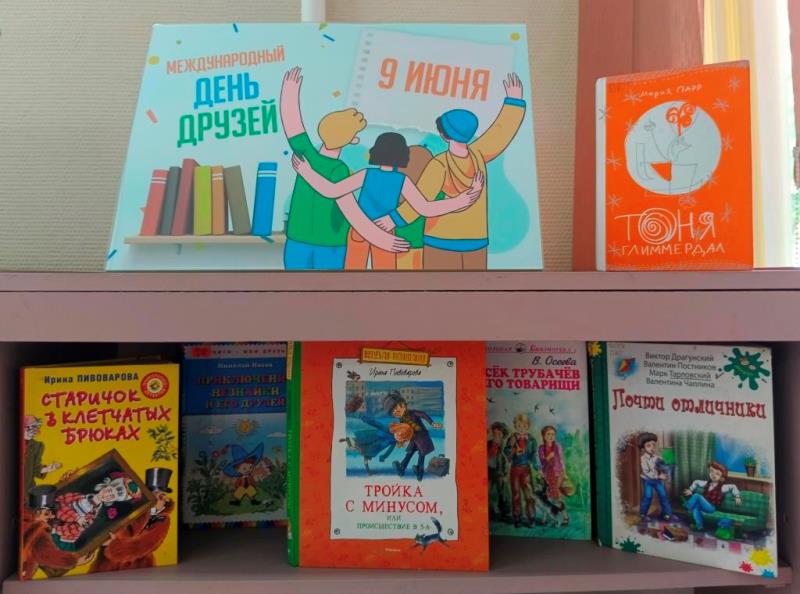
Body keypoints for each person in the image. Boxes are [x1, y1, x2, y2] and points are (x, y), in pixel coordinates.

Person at [374, 73, 527, 270]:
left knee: (438, 288)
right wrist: (514, 102)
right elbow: (500, 134)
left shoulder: (439, 164)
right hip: (476, 240)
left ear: (444, 135)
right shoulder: (478, 155)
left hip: (441, 240)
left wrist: (393, 219)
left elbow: (420, 201)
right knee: (476, 288)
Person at [280, 66, 410, 269]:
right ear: (353, 140)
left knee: (295, 289)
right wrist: (381, 239)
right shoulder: (338, 170)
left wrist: (288, 92)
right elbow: (352, 212)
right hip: (330, 246)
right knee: (329, 291)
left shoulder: (307, 157)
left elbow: (293, 126)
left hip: (296, 242)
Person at [291, 133, 483, 270]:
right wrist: (461, 200)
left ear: (376, 152)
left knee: (352, 274)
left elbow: (331, 191)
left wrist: (307, 173)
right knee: (385, 277)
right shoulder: (401, 180)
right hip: (386, 231)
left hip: (359, 230)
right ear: (403, 155)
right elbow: (425, 208)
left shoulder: (366, 174)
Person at [90, 468, 174, 572]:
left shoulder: (161, 519)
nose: (154, 499)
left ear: (165, 501)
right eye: (151, 495)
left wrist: (114, 545)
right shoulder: (134, 507)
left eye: (160, 497)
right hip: (107, 564)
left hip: (135, 566)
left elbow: (145, 544)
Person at [51, 473, 142, 548]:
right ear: (105, 486)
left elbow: (76, 530)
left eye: (112, 496)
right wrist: (76, 518)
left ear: (112, 500)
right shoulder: (78, 496)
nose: (106, 495)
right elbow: (57, 504)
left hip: (59, 532)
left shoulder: (92, 515)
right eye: (109, 490)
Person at [21, 485, 92, 579]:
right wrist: (74, 561)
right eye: (47, 513)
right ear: (38, 512)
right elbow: (49, 556)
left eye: (52, 513)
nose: (51, 516)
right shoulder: (38, 533)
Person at [384, 391, 442, 481]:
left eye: (396, 408)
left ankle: (419, 471)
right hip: (413, 438)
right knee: (409, 452)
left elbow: (423, 415)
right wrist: (400, 438)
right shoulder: (402, 420)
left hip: (422, 436)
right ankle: (402, 468)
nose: (395, 412)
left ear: (403, 404)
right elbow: (404, 430)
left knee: (421, 454)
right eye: (393, 412)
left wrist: (432, 423)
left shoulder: (412, 413)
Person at [682, 461, 742, 531]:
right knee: (696, 508)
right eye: (712, 471)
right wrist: (690, 489)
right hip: (704, 506)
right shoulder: (706, 483)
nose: (713, 475)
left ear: (722, 478)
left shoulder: (722, 487)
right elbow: (696, 482)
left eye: (717, 474)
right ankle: (700, 526)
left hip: (711, 508)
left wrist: (737, 496)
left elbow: (733, 487)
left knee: (697, 495)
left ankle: (688, 506)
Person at [505, 413, 538, 527]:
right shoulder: (512, 438)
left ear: (528, 426)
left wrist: (537, 467)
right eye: (519, 426)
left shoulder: (532, 440)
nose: (521, 428)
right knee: (516, 494)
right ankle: (517, 517)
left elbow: (534, 455)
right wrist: (512, 448)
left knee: (529, 493)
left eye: (524, 426)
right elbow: (507, 453)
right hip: (515, 469)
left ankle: (531, 517)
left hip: (526, 469)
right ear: (515, 426)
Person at [538, 425, 569, 526]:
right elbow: (542, 462)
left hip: (557, 474)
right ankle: (545, 518)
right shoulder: (541, 448)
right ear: (544, 436)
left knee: (557, 496)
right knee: (546, 497)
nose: (551, 436)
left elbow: (561, 460)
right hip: (547, 475)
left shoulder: (557, 446)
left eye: (552, 434)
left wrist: (564, 472)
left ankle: (565, 517)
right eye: (548, 434)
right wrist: (547, 458)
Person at [23, 415, 61, 495]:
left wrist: (50, 468)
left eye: (35, 428)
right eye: (30, 428)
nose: (34, 432)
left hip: (27, 490)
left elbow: (36, 469)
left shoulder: (37, 446)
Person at [638, 432, 672, 521]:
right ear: (643, 448)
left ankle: (667, 513)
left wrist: (665, 461)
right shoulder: (643, 459)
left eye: (653, 444)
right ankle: (643, 514)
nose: (652, 447)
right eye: (648, 446)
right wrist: (658, 476)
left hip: (657, 481)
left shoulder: (657, 457)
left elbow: (664, 465)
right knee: (648, 496)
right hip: (647, 480)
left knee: (663, 495)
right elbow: (646, 472)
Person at [487, 422, 510, 521]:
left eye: (499, 434)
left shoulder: (505, 446)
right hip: (489, 470)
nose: (496, 436)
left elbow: (506, 462)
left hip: (499, 471)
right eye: (494, 433)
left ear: (503, 436)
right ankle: (493, 512)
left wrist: (505, 474)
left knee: (503, 492)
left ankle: (504, 512)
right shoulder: (488, 444)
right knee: (490, 492)